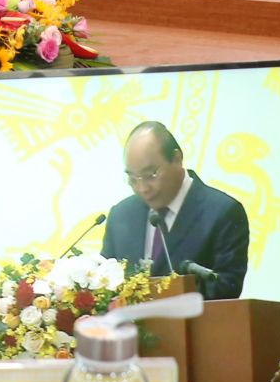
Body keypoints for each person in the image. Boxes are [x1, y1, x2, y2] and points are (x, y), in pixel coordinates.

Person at [100, 121, 249, 300]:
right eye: (132, 178)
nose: (142, 188)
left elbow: (225, 291)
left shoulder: (223, 213)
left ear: (177, 159)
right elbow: (105, 286)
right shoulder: (121, 216)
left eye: (150, 175)